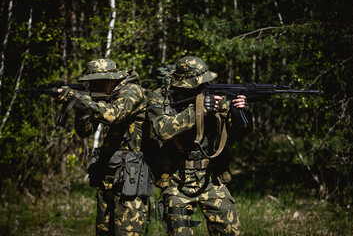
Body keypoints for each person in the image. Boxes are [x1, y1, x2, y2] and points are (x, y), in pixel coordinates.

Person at [145, 56, 253, 235]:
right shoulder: (161, 96)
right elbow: (160, 130)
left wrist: (241, 113)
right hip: (176, 180)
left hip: (211, 178)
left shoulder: (215, 95)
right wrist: (197, 110)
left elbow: (241, 133)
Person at [56, 58, 153, 236]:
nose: (92, 88)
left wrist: (80, 99)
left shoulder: (132, 91)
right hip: (109, 173)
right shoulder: (105, 97)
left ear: (110, 80)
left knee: (127, 232)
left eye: (96, 84)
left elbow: (113, 115)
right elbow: (85, 131)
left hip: (131, 176)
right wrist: (80, 108)